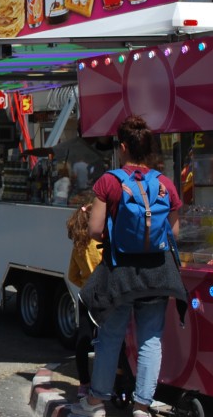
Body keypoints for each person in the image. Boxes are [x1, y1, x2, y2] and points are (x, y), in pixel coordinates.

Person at [72, 115, 187, 417]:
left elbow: (95, 229)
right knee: (151, 339)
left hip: (120, 272)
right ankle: (141, 406)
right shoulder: (165, 184)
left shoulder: (109, 181)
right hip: (158, 273)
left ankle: (97, 402)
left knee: (111, 336)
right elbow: (174, 234)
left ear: (123, 146)